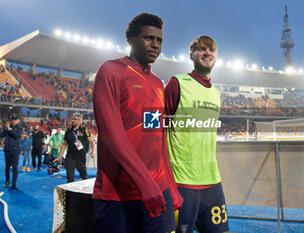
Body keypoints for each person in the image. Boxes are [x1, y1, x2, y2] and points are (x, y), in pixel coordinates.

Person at [92, 13, 183, 233]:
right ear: (131, 40)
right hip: (118, 195)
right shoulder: (111, 71)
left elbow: (157, 137)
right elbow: (111, 134)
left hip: (157, 190)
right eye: (149, 38)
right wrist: (145, 183)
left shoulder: (156, 83)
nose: (155, 45)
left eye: (159, 40)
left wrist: (170, 185)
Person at [165, 35, 229, 232]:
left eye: (211, 50)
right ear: (192, 55)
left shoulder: (216, 94)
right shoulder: (177, 84)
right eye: (202, 49)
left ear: (216, 56)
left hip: (212, 181)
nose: (207, 53)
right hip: (181, 182)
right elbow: (158, 129)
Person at [53, 113, 95, 183]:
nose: (73, 120)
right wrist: (59, 157)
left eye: (75, 119)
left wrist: (93, 152)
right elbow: (64, 144)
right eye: (72, 119)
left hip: (80, 156)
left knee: (84, 175)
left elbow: (92, 142)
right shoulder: (68, 131)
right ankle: (70, 193)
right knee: (70, 177)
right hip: (70, 156)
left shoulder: (84, 130)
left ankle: (85, 190)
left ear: (79, 121)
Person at [0, 115, 23, 189]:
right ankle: (7, 181)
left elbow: (17, 136)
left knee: (15, 167)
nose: (13, 121)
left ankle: (14, 183)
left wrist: (9, 129)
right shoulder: (7, 128)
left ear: (17, 120)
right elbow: (1, 135)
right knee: (7, 167)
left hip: (15, 150)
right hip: (7, 149)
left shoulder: (19, 128)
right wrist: (5, 129)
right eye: (12, 119)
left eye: (15, 119)